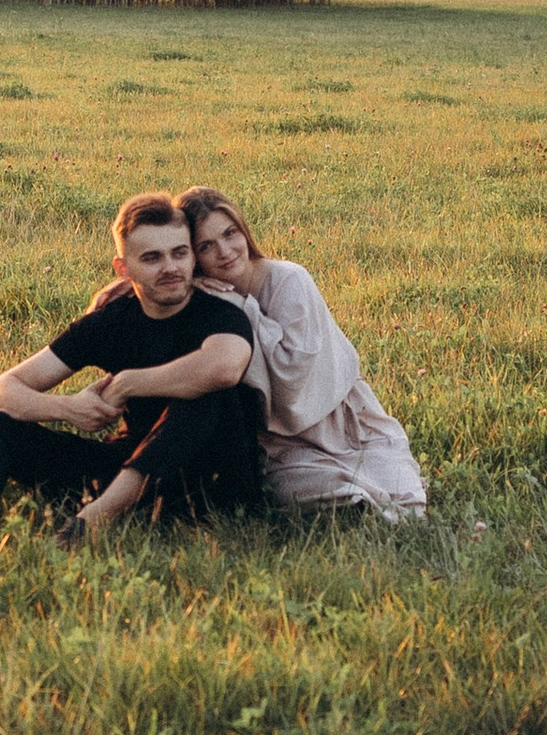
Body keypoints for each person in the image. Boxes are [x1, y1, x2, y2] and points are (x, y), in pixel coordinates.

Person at [0, 192, 266, 542]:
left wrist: (128, 384)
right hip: (126, 468)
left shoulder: (219, 312)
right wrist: (68, 408)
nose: (170, 267)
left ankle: (94, 519)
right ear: (124, 269)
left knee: (203, 393)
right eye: (152, 258)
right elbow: (0, 393)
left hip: (209, 481)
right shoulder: (113, 321)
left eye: (179, 253)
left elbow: (224, 367)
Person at [178, 185, 427, 518]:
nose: (224, 251)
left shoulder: (289, 280)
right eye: (206, 246)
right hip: (282, 443)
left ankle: (372, 493)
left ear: (244, 231)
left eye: (230, 233)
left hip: (341, 422)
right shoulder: (205, 297)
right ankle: (351, 502)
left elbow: (295, 371)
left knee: (399, 491)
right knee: (298, 490)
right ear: (193, 256)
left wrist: (242, 308)